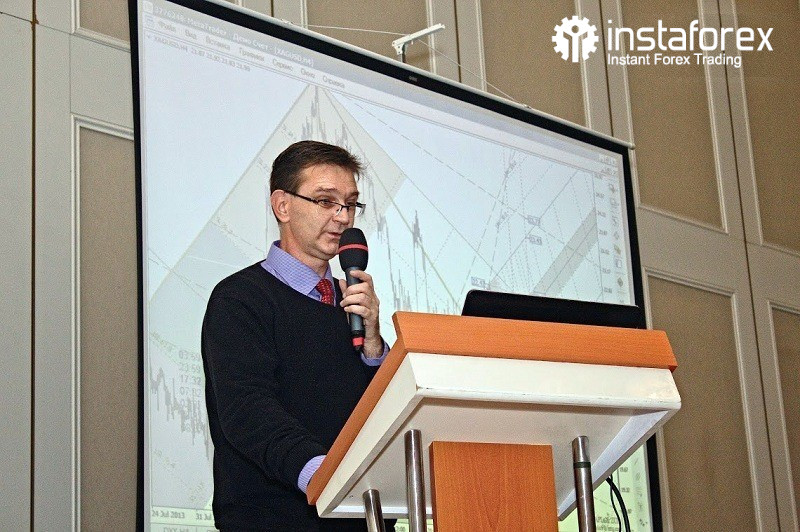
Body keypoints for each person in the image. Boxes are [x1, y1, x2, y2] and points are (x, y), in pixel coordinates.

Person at [201, 141, 394, 531]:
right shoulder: (240, 299)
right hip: (275, 518)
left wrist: (374, 343)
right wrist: (323, 477)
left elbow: (387, 414)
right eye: (326, 201)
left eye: (350, 203)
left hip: (361, 517)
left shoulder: (353, 303)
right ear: (282, 206)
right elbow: (247, 410)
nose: (343, 217)